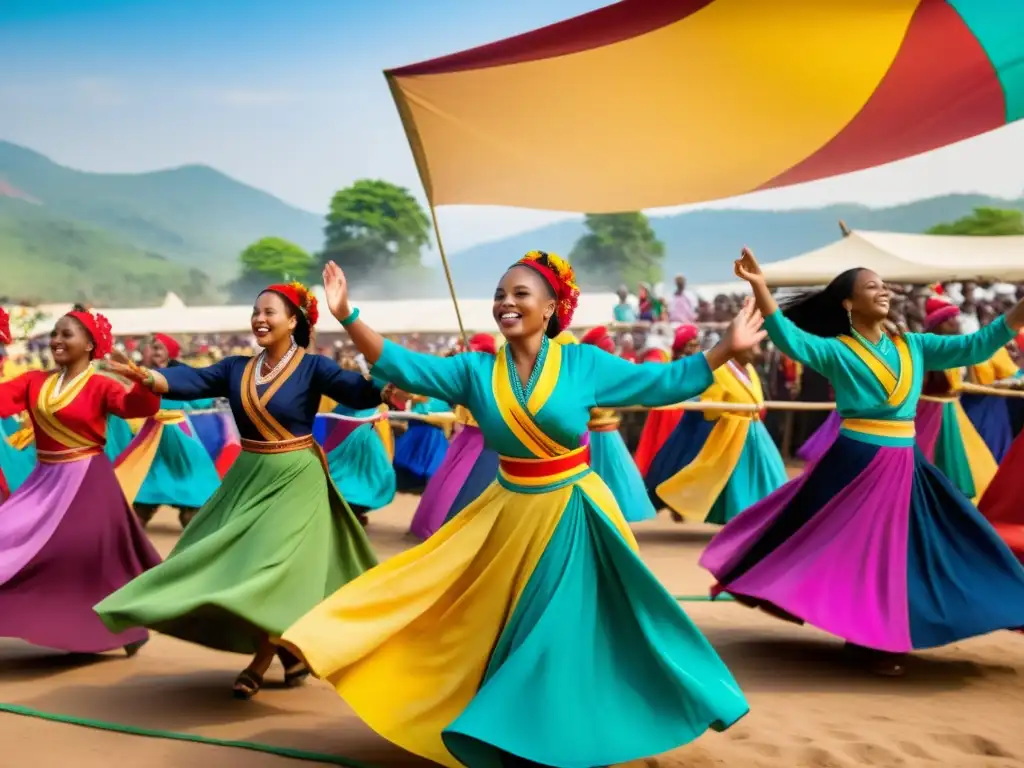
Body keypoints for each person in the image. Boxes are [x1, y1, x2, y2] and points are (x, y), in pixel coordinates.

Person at [280, 252, 760, 768]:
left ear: (551, 306)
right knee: (474, 616)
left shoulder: (583, 364)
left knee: (554, 627)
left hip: (573, 513)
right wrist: (348, 314)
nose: (505, 303)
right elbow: (404, 365)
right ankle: (505, 727)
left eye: (519, 294)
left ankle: (549, 733)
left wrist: (723, 349)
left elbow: (664, 385)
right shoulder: (473, 369)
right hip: (507, 512)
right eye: (499, 296)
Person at [702, 249, 1024, 677]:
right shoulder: (838, 351)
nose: (884, 291)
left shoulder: (915, 346)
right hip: (856, 462)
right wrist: (759, 285)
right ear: (850, 304)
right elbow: (788, 338)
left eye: (884, 285)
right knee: (864, 551)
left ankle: (888, 631)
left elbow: (975, 345)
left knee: (926, 546)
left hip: (906, 464)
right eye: (872, 286)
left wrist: (1019, 313)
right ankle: (870, 638)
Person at [94, 282, 383, 699]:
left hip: (296, 479)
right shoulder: (235, 368)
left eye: (270, 312)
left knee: (270, 567)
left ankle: (260, 661)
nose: (260, 319)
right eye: (255, 311)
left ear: (293, 321)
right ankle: (291, 655)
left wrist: (385, 376)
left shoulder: (314, 368)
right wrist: (146, 375)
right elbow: (191, 380)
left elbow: (360, 391)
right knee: (226, 561)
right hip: (249, 477)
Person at [0, 305, 161, 655]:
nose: (56, 341)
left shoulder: (102, 385)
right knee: (8, 536)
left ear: (89, 344)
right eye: (54, 334)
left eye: (65, 334)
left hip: (88, 482)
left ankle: (118, 627)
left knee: (77, 554)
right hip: (44, 481)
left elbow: (138, 407)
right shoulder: (33, 382)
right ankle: (101, 627)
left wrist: (142, 380)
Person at [649, 343, 787, 525]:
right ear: (737, 349)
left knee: (770, 472)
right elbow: (710, 408)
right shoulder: (719, 370)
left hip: (755, 431)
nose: (757, 352)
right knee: (730, 476)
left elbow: (757, 400)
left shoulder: (750, 370)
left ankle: (771, 513)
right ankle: (743, 517)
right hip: (732, 433)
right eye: (752, 347)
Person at [128, 334, 221, 529]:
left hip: (180, 438)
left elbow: (202, 398)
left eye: (159, 348)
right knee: (143, 494)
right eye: (152, 347)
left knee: (191, 502)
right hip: (151, 438)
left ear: (169, 352)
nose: (154, 351)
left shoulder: (182, 373)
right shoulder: (144, 374)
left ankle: (192, 519)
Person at [409, 333, 497, 540]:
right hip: (466, 437)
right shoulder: (470, 374)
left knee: (464, 484)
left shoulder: (493, 375)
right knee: (447, 485)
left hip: (483, 440)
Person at [914, 296, 998, 503]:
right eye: (952, 318)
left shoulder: (953, 349)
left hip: (952, 410)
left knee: (972, 463)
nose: (957, 322)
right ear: (941, 324)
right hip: (932, 413)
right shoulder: (928, 351)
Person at [580, 325, 656, 523]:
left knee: (619, 481)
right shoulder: (586, 373)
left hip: (608, 432)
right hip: (593, 435)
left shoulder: (606, 371)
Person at [634, 324, 700, 476]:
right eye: (693, 344)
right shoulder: (662, 357)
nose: (697, 348)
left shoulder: (674, 359)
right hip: (673, 414)